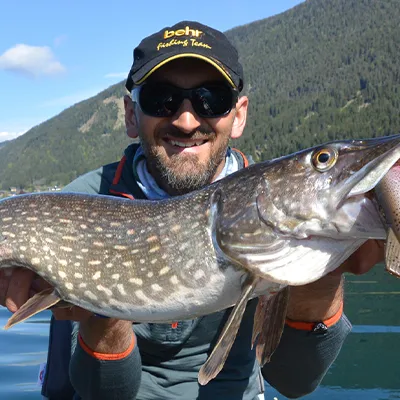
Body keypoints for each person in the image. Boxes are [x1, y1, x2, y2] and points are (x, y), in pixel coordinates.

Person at [0, 21, 384, 400]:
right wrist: (101, 312)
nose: (186, 121)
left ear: (239, 115)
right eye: (161, 99)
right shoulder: (79, 204)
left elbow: (295, 382)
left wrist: (323, 275)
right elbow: (102, 394)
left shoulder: (267, 218)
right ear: (132, 116)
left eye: (211, 99)